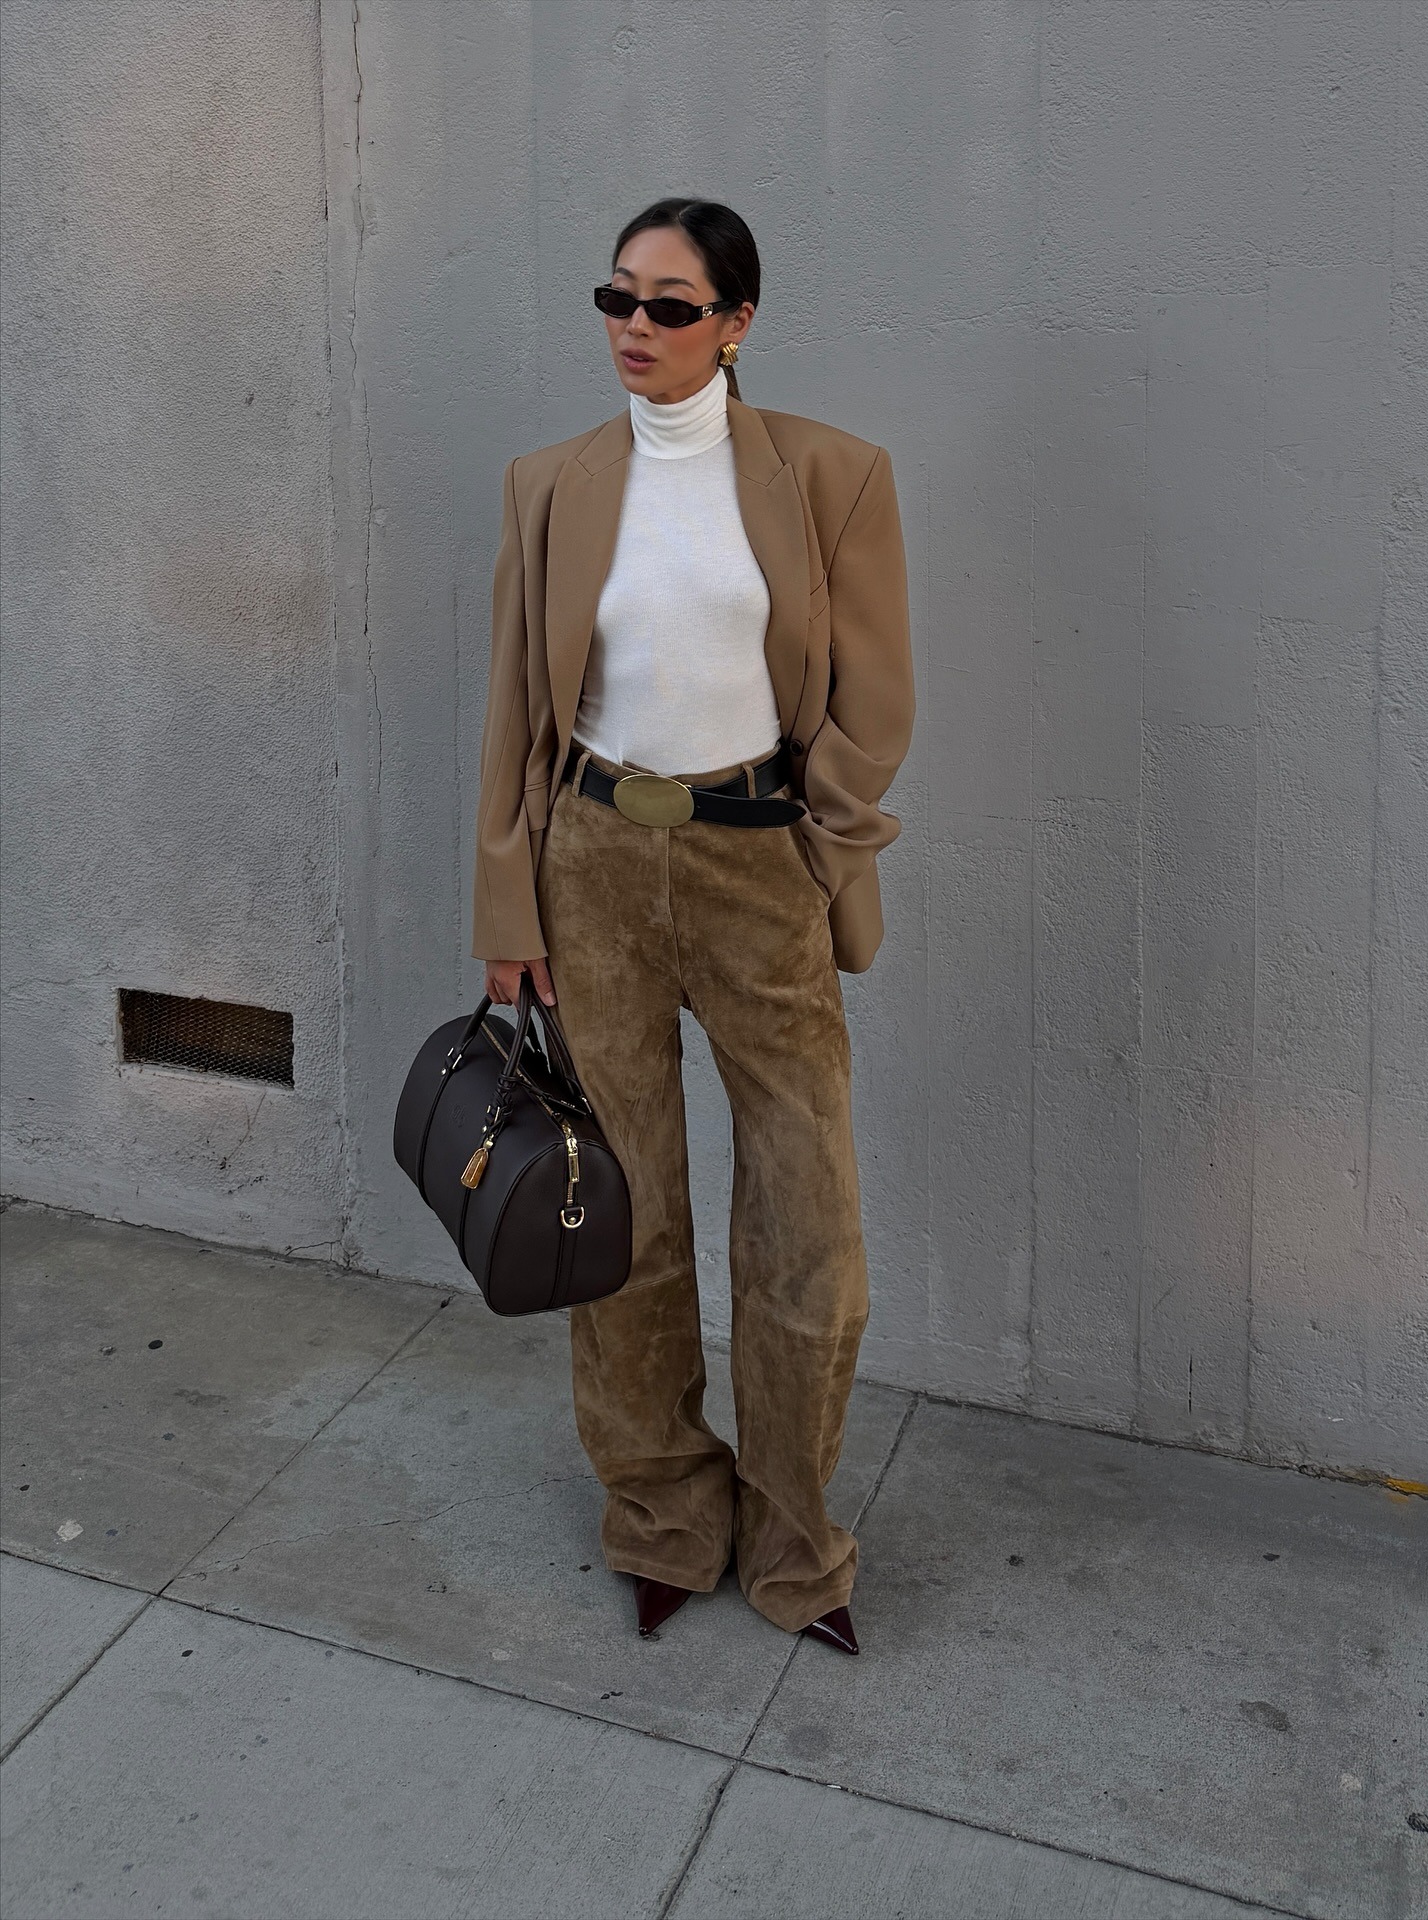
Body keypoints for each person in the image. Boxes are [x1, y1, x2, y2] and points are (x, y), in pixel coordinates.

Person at [472, 197, 912, 1655]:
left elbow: (875, 697)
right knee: (623, 1215)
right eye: (617, 298)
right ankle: (662, 1513)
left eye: (670, 305)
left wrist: (816, 847)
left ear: (735, 323)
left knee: (808, 1226)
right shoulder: (549, 483)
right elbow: (514, 714)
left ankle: (795, 1538)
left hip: (754, 865)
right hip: (593, 865)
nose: (635, 328)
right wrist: (509, 902)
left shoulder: (831, 475)